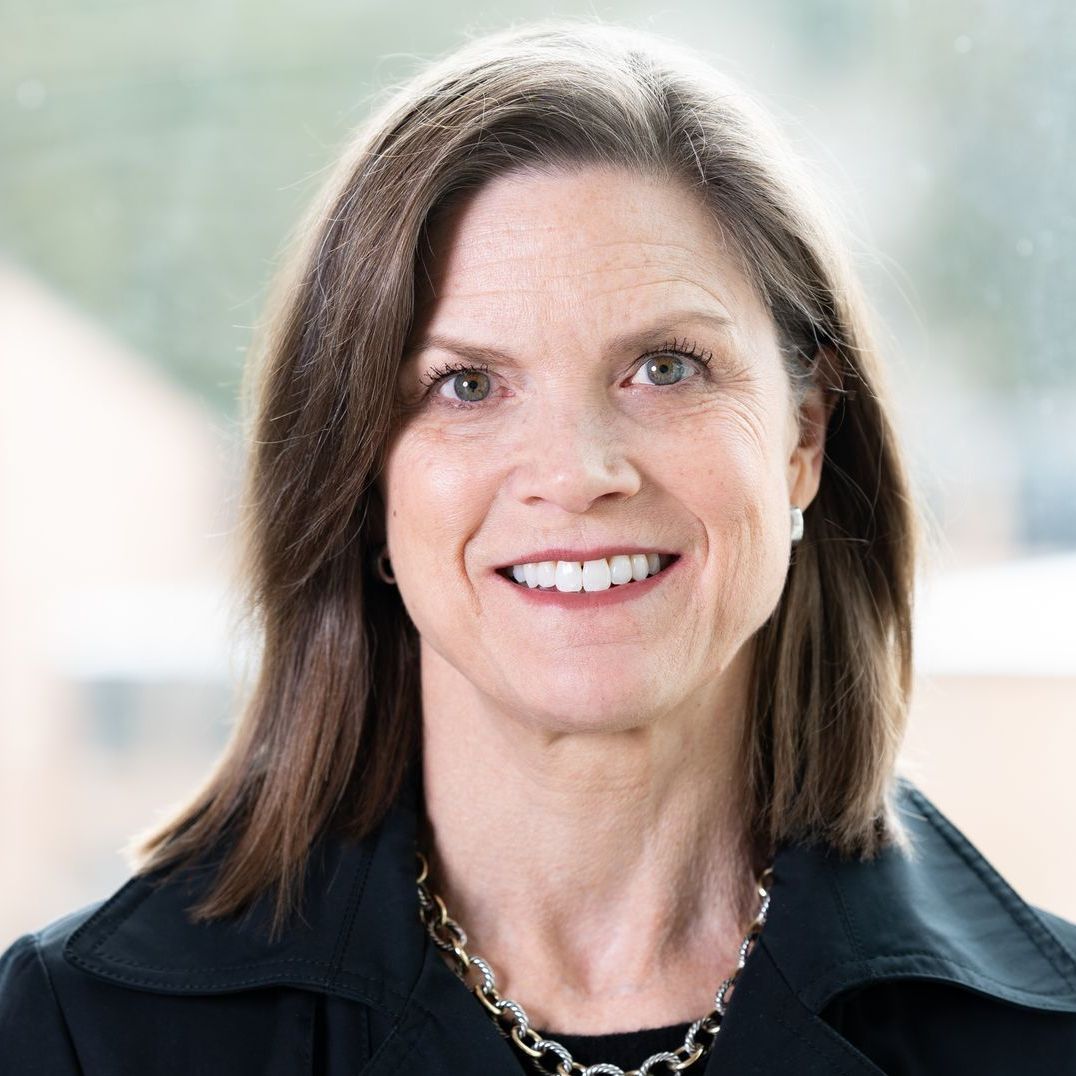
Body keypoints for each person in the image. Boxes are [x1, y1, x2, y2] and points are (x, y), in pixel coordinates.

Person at [2, 18, 1075, 1075]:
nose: (575, 470)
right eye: (465, 384)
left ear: (803, 431)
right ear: (360, 474)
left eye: (664, 366)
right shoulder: (78, 1035)